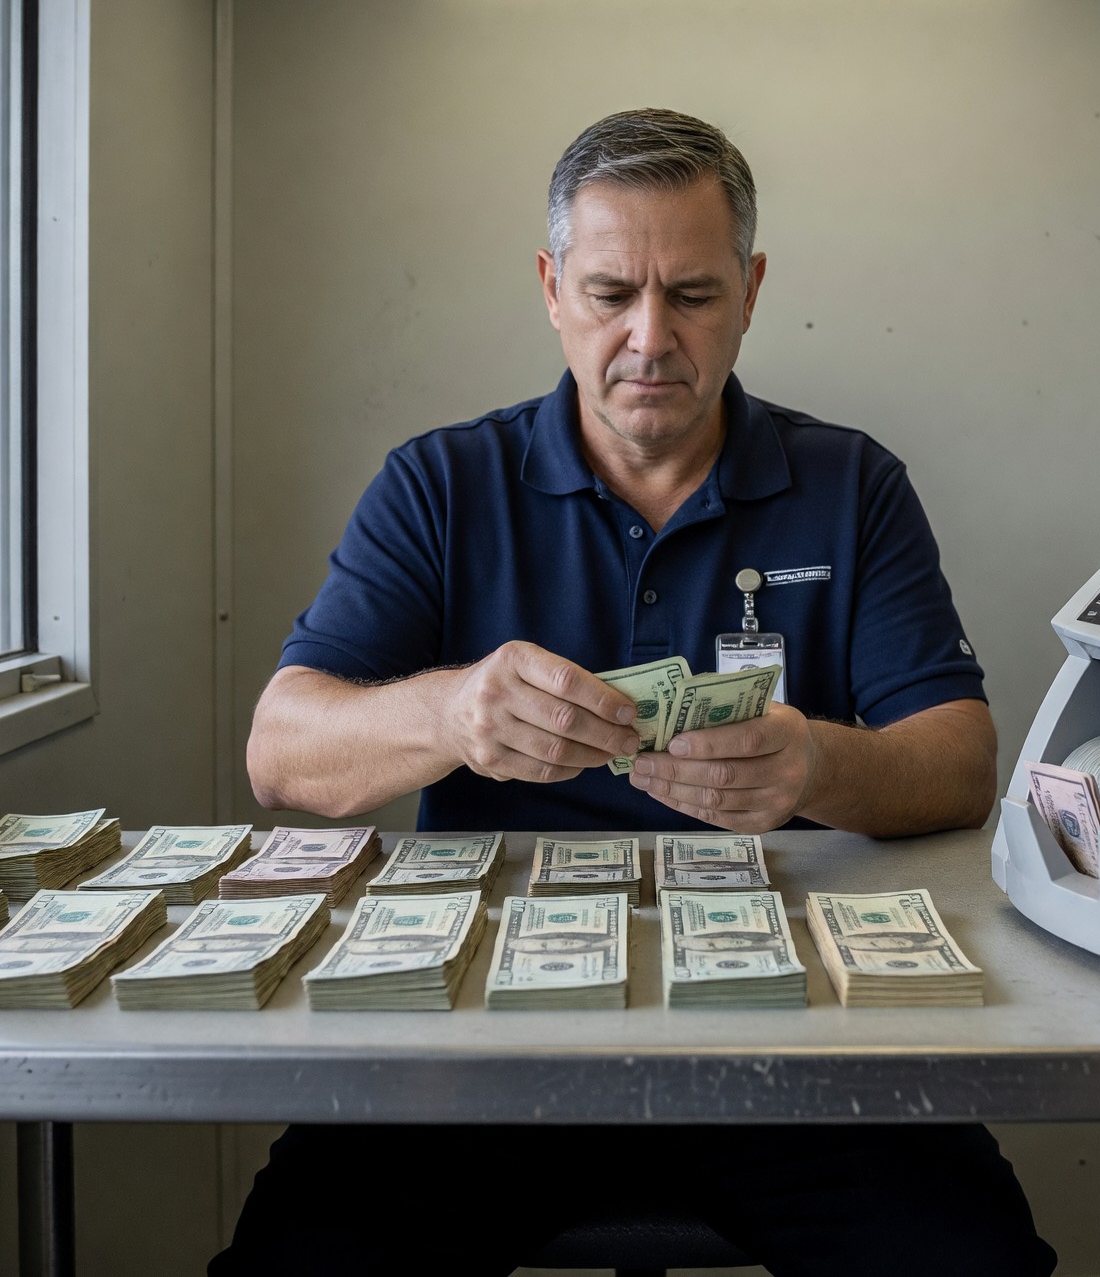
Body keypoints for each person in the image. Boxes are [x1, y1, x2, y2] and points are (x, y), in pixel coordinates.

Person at [217, 108, 1055, 1277]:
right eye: (611, 293)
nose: (649, 337)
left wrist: (817, 763)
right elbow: (280, 754)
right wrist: (449, 713)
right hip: (477, 1047)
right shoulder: (440, 483)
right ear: (552, 287)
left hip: (796, 1042)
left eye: (694, 295)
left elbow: (962, 762)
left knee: (973, 1268)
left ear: (752, 290)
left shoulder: (850, 482)